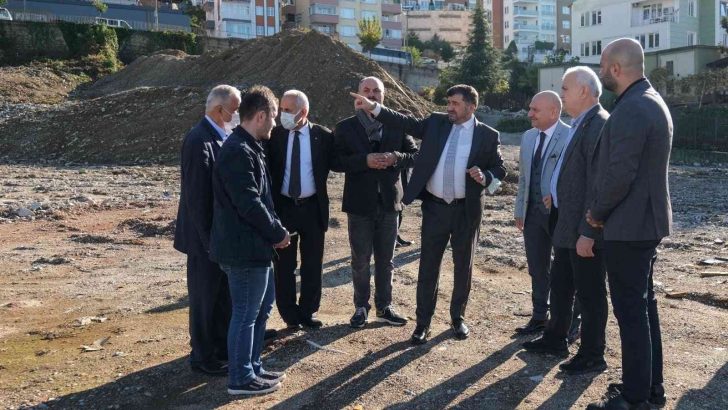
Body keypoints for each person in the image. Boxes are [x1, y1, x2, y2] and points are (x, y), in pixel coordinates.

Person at [350, 84, 506, 345]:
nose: (449, 108)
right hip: (435, 208)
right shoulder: (436, 123)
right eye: (448, 102)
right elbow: (403, 121)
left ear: (471, 107)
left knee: (463, 267)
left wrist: (487, 176)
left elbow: (500, 168)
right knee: (428, 267)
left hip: (466, 211)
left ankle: (457, 318)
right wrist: (374, 107)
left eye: (455, 104)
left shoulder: (488, 135)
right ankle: (423, 323)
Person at [586, 38, 672, 410]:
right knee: (643, 308)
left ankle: (636, 398)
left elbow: (620, 174)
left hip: (628, 225)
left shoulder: (634, 107)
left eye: (603, 66)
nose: (600, 71)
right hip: (641, 223)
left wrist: (596, 213)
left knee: (632, 313)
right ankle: (650, 389)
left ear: (616, 69)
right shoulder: (646, 100)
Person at [522, 67, 609, 375]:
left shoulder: (599, 124)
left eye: (565, 89)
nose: (562, 94)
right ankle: (555, 338)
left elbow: (598, 183)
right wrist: (555, 195)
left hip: (583, 225)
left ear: (584, 91)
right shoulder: (579, 122)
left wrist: (589, 230)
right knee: (561, 285)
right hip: (565, 220)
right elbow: (573, 173)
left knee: (590, 292)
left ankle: (592, 354)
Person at [209, 85, 291, 396]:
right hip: (243, 250)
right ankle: (240, 378)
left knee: (261, 309)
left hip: (257, 248)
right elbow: (249, 204)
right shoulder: (238, 151)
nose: (275, 123)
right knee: (245, 313)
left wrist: (273, 233)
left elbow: (260, 199)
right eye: (274, 116)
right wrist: (277, 233)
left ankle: (253, 366)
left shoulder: (250, 146)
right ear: (260, 116)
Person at [334, 76, 419, 329]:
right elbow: (335, 161)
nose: (371, 95)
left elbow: (415, 155)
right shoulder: (345, 127)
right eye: (366, 90)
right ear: (358, 94)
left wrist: (395, 157)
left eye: (376, 91)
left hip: (390, 204)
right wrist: (365, 160)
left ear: (383, 95)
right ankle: (361, 307)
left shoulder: (397, 123)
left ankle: (385, 307)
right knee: (360, 260)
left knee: (386, 260)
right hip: (359, 205)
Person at [173, 85, 239, 376]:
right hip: (204, 239)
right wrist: (208, 240)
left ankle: (220, 347)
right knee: (204, 299)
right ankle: (202, 356)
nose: (237, 115)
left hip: (219, 236)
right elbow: (196, 197)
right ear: (219, 110)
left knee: (222, 296)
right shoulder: (198, 139)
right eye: (234, 110)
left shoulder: (220, 136)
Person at [266, 90, 337, 329]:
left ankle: (308, 311)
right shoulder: (275, 135)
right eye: (281, 109)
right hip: (284, 208)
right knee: (284, 265)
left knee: (313, 263)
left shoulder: (323, 136)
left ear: (303, 112)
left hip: (312, 209)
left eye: (288, 110)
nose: (282, 115)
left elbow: (340, 162)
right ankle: (289, 315)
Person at [513, 91, 571, 335]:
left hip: (560, 215)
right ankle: (539, 316)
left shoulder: (570, 135)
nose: (529, 114)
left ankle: (566, 320)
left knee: (565, 269)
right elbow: (524, 178)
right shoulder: (528, 137)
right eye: (530, 108)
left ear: (553, 112)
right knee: (537, 267)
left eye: (535, 110)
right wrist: (520, 209)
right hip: (533, 214)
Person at [396, 109, 416, 249]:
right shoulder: (401, 133)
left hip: (404, 176)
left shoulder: (405, 133)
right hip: (399, 178)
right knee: (397, 210)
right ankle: (393, 238)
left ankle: (395, 237)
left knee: (399, 210)